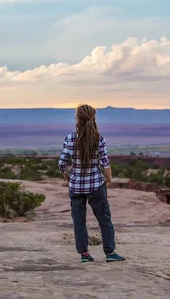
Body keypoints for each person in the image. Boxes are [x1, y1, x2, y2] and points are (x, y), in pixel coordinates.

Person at [58, 104, 126, 263]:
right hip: (96, 185)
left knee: (79, 221)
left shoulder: (70, 138)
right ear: (93, 118)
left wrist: (68, 178)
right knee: (104, 219)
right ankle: (110, 253)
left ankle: (85, 255)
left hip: (75, 186)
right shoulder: (99, 138)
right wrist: (109, 179)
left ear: (77, 119)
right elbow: (105, 163)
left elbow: (62, 163)